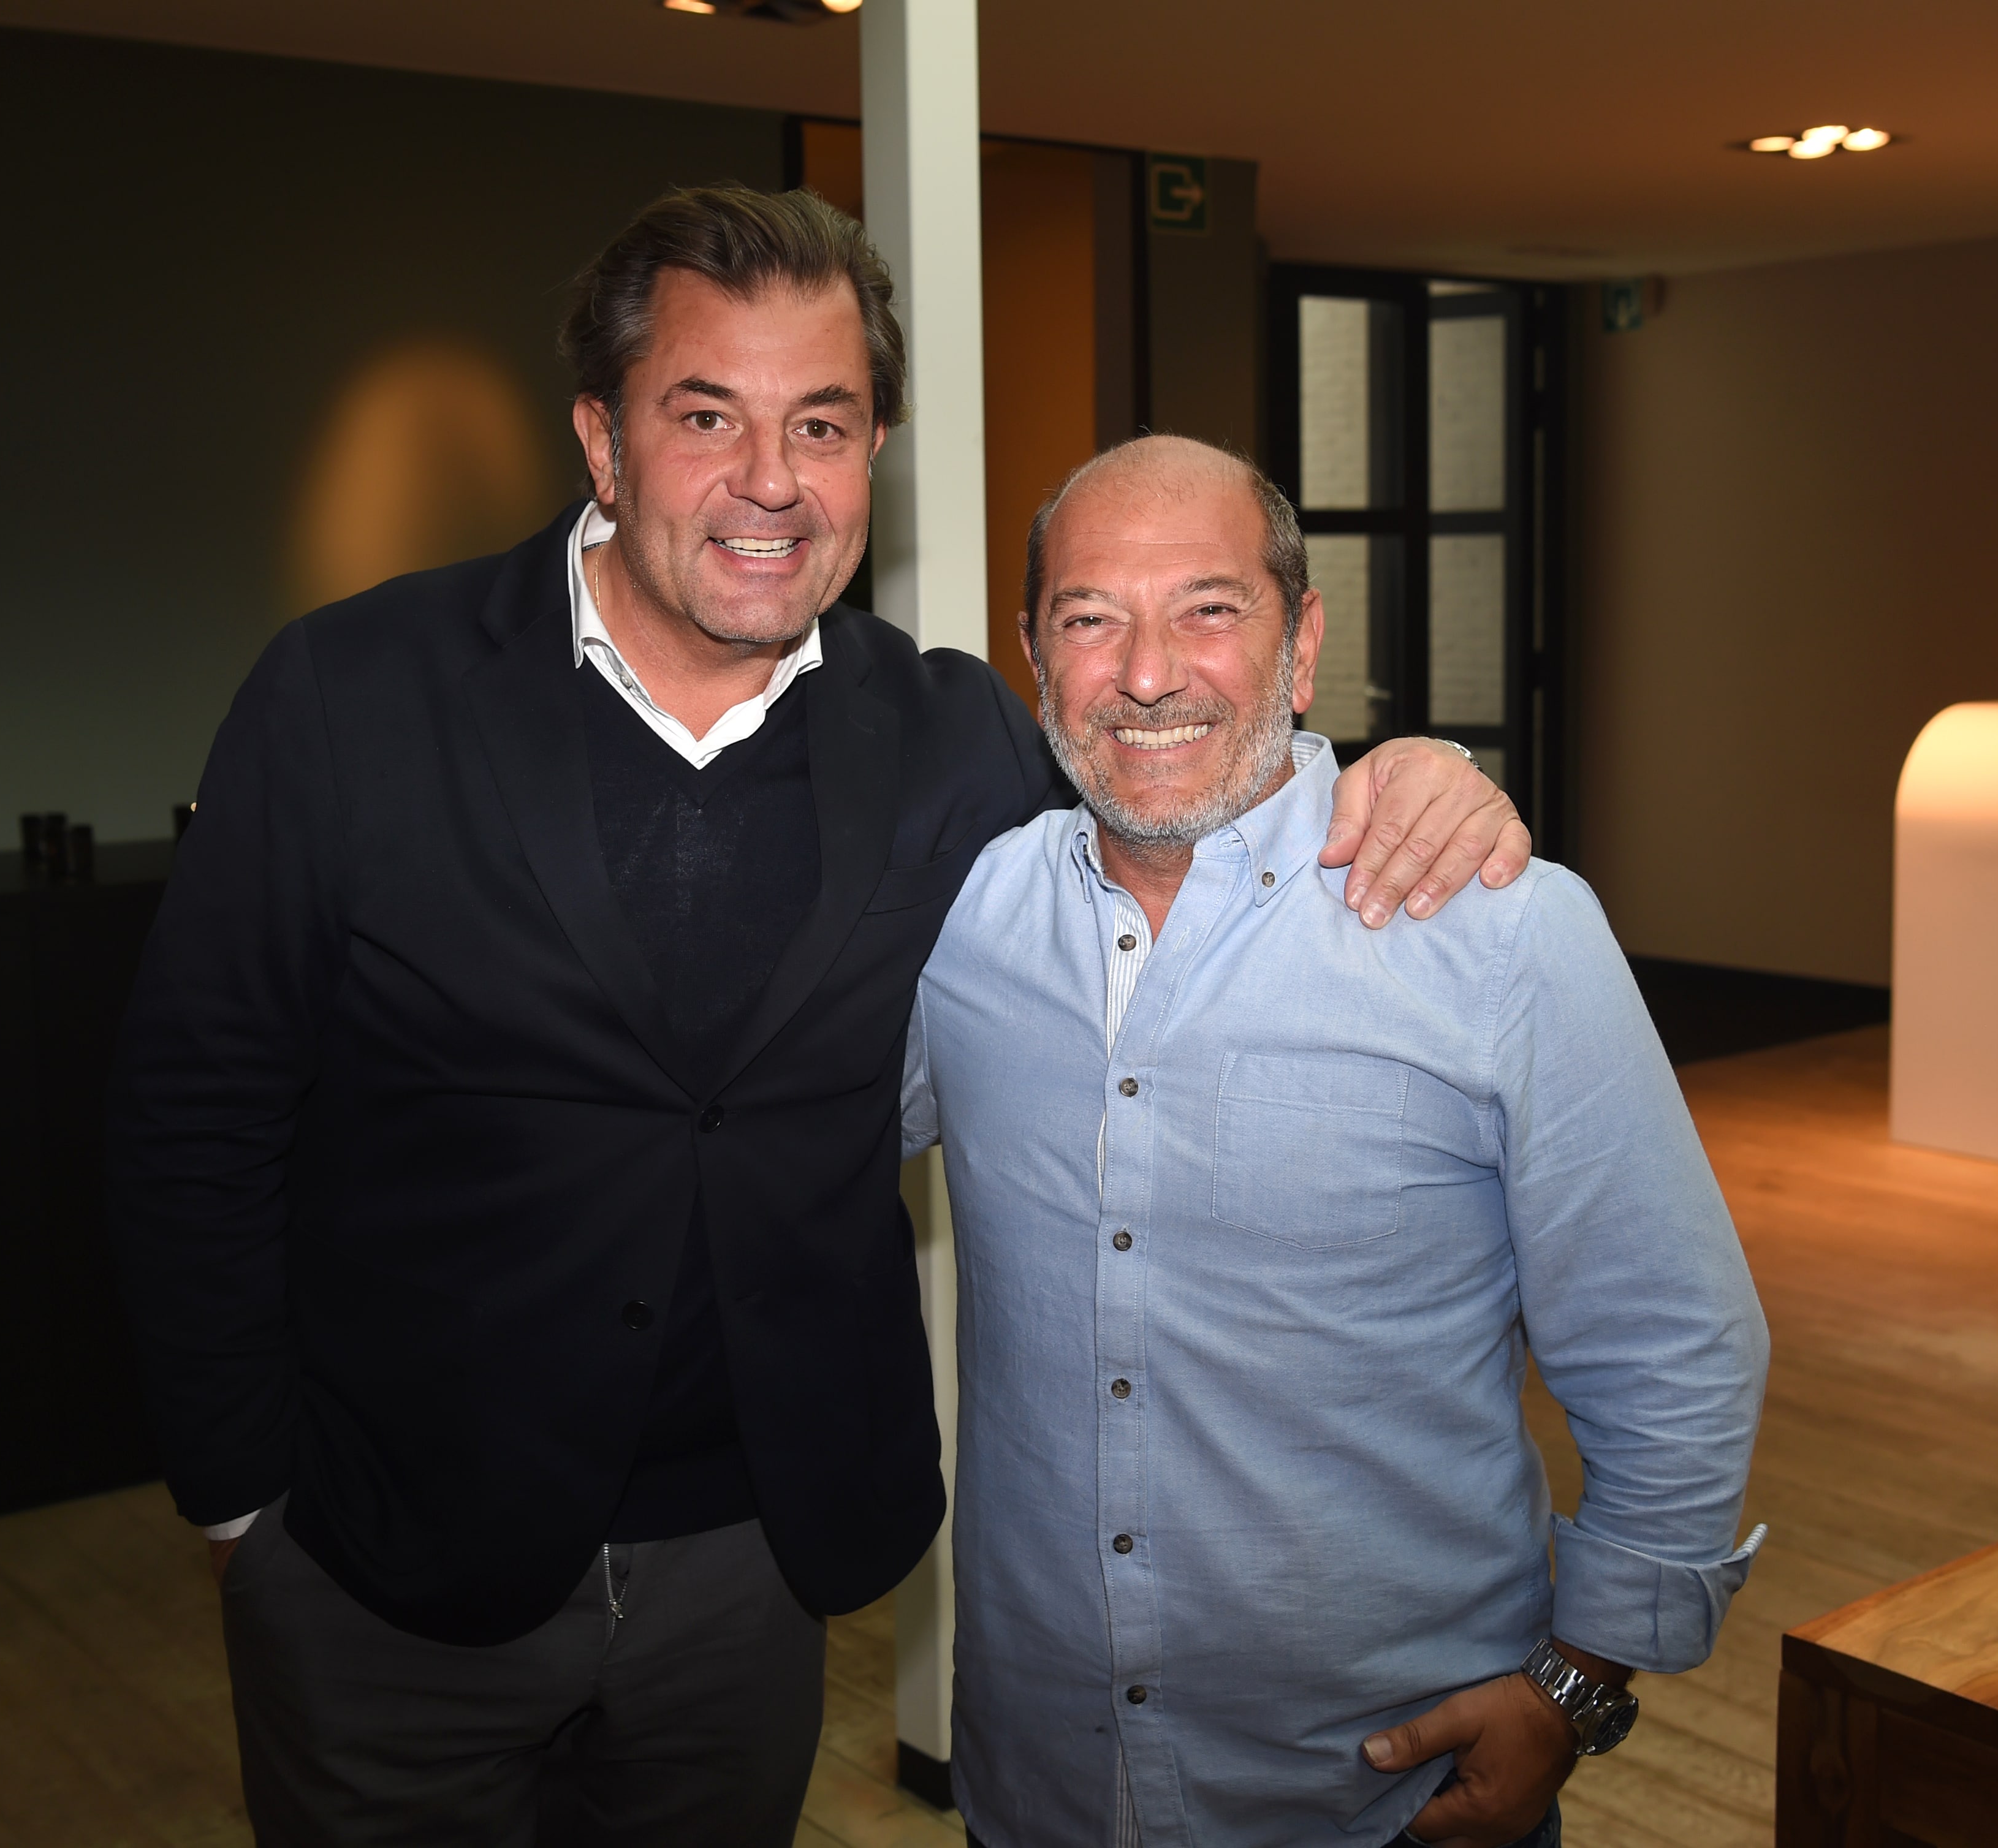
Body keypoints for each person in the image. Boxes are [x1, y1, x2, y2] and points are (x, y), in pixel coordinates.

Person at [107, 186, 1528, 1846]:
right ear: (603, 439)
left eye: (824, 424)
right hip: (385, 1564)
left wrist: (1409, 769)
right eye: (707, 416)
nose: (771, 479)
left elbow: (1185, 815)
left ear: (873, 455)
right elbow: (194, 1110)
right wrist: (243, 1507)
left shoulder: (952, 741)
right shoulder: (352, 694)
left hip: (750, 1577)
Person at [900, 435, 1769, 1848]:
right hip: (1040, 1782)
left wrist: (1578, 1685)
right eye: (1091, 617)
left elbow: (1673, 1342)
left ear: (1302, 644)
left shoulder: (1502, 931)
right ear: (1033, 653)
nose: (1148, 672)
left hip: (1387, 1803)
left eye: (1210, 609)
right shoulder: (965, 923)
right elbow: (770, 1138)